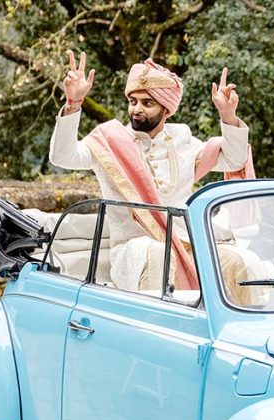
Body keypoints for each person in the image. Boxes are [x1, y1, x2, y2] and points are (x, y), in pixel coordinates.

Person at [49, 51, 255, 297]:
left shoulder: (184, 141)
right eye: (132, 101)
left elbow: (234, 159)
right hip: (133, 250)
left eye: (147, 103)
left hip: (185, 245)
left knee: (238, 262)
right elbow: (62, 156)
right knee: (159, 254)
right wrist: (73, 104)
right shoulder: (110, 143)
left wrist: (227, 116)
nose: (137, 109)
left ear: (166, 110)